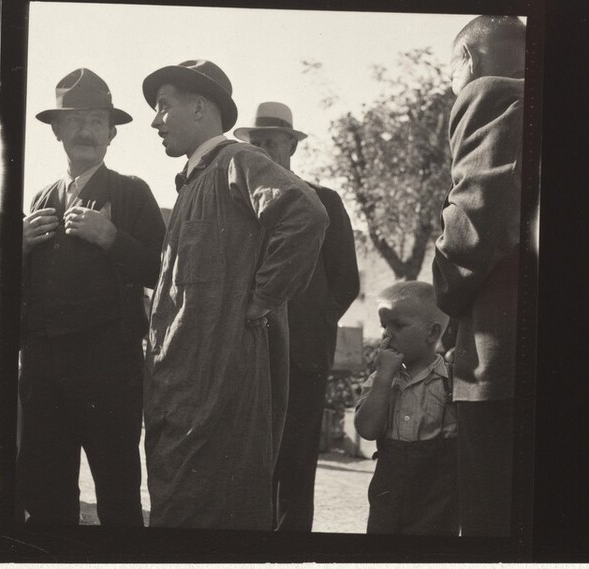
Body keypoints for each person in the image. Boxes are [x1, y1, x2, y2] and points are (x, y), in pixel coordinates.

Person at [141, 60, 329, 530]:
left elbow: (306, 214)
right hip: (182, 393)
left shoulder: (235, 162)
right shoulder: (195, 180)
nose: (154, 120)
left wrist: (262, 298)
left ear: (201, 108)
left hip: (221, 392)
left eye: (164, 106)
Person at [18, 68, 165, 526]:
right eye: (76, 120)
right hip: (43, 370)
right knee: (44, 496)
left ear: (112, 134)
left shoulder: (132, 192)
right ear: (57, 130)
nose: (86, 130)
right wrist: (15, 248)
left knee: (118, 495)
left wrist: (112, 238)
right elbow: (12, 290)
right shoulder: (41, 196)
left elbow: (164, 273)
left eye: (97, 121)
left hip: (107, 370)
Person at [234, 102, 360, 531]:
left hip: (303, 357)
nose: (265, 150)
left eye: (274, 141)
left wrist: (314, 325)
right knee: (249, 462)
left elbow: (345, 282)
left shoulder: (322, 201)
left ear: (292, 145)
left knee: (296, 463)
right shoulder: (240, 205)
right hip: (247, 353)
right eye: (257, 143)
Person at [432, 15, 526, 537]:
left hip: (498, 361)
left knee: (491, 527)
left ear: (465, 61)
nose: (452, 84)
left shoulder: (490, 92)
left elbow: (474, 219)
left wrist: (444, 288)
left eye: (450, 72)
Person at [355, 281, 457, 535]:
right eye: (384, 327)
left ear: (432, 333)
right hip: (388, 490)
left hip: (437, 496)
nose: (387, 336)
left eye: (398, 326)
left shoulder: (450, 381)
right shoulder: (381, 380)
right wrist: (383, 378)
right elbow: (367, 430)